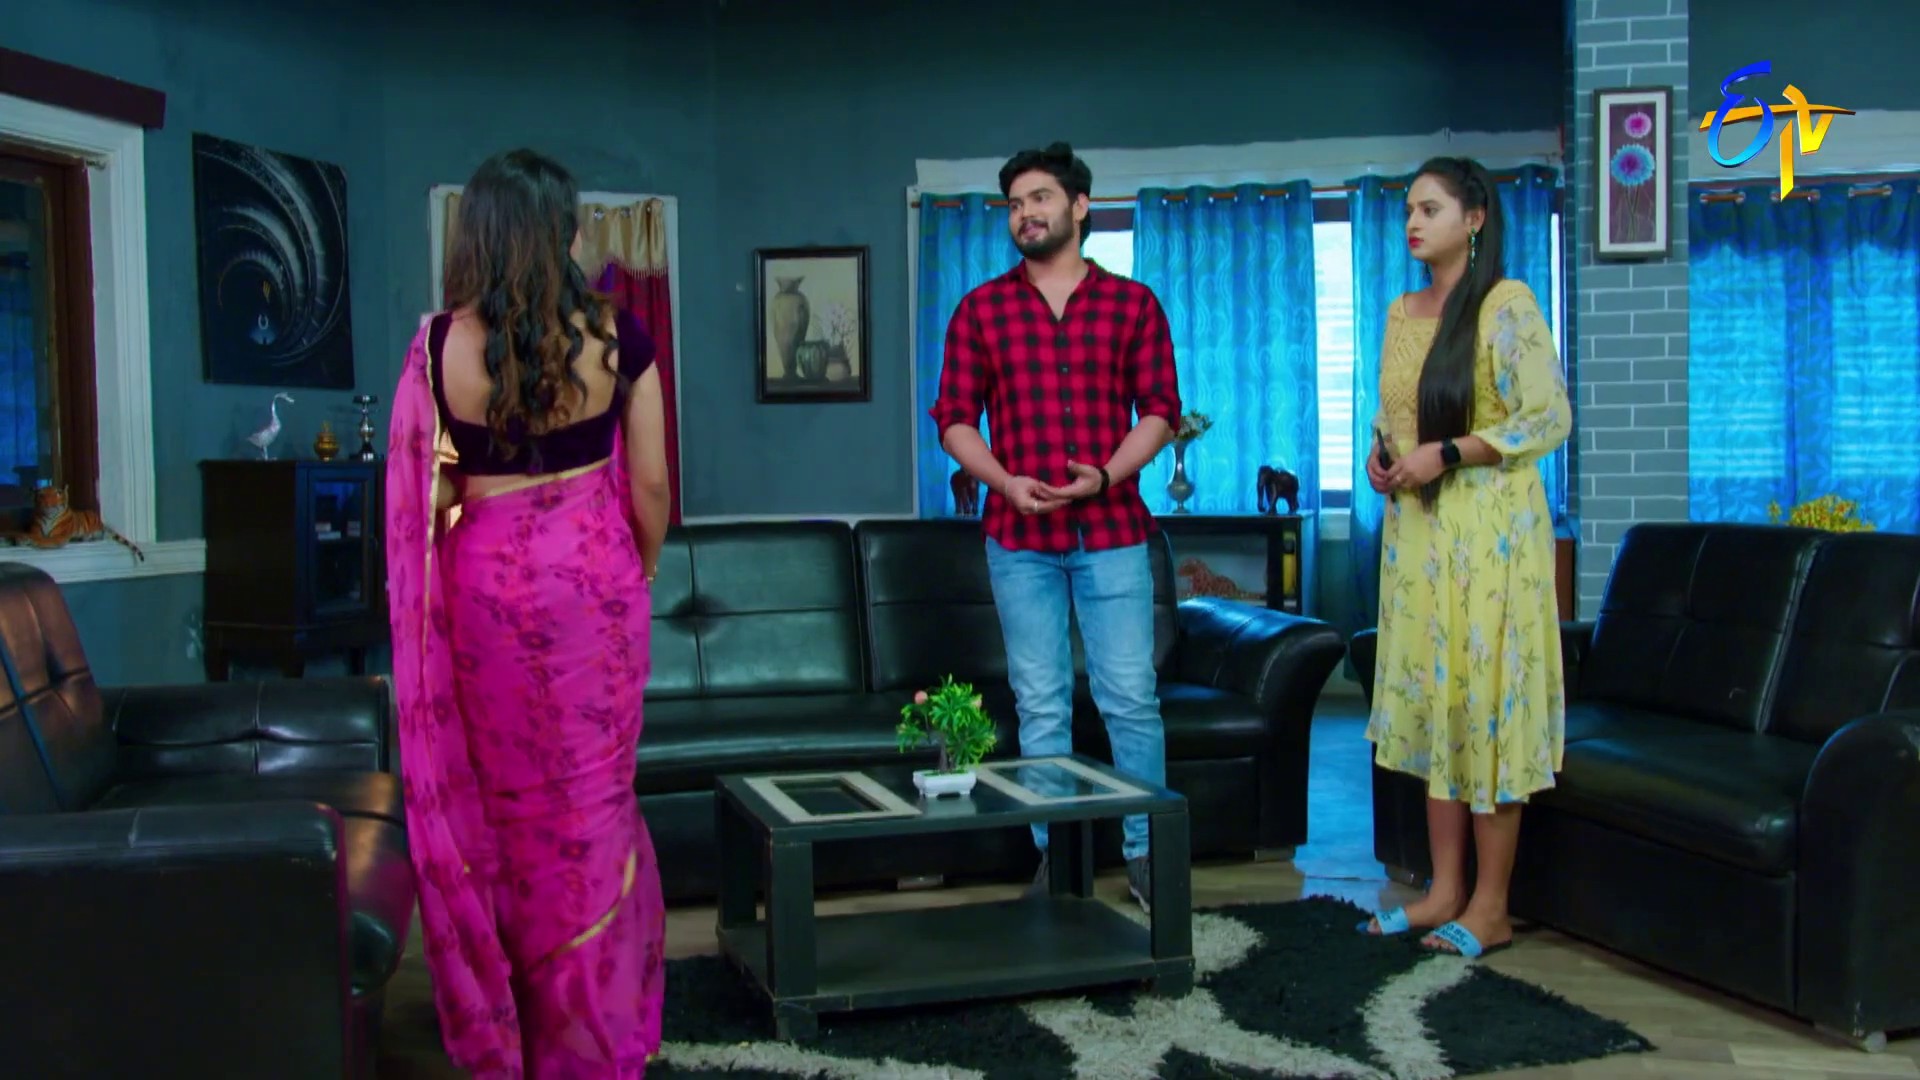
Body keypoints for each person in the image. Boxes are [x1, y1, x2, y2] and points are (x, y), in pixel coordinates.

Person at [385, 148, 672, 1076]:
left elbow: (427, 503)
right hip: (595, 592)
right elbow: (653, 485)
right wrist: (639, 569)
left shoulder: (437, 347)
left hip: (486, 603)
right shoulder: (619, 337)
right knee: (593, 807)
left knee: (508, 812)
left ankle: (520, 1022)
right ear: (560, 234)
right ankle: (594, 1032)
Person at [929, 141, 1181, 914]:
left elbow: (1160, 412)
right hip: (1020, 542)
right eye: (1014, 204)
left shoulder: (1133, 304)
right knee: (1041, 705)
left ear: (1079, 206)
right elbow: (953, 419)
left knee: (1129, 699)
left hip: (1112, 534)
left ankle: (1145, 855)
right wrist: (1004, 481)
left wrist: (1105, 475)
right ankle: (1057, 859)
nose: (1025, 214)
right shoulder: (982, 309)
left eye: (1039, 198)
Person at [1357, 156, 1572, 958]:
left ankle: (1490, 907)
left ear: (1474, 218)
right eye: (1408, 210)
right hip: (1417, 533)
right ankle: (1443, 890)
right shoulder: (1400, 311)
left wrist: (1447, 453)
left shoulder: (1505, 304)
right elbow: (1393, 417)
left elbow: (1547, 417)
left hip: (1488, 533)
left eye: (1431, 209)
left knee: (1483, 706)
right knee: (1435, 706)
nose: (1413, 223)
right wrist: (1383, 460)